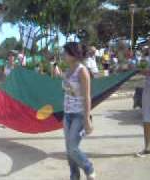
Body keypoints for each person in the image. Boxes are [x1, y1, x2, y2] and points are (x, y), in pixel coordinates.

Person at [62, 42, 96, 180]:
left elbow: (86, 96)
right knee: (69, 149)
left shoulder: (82, 70)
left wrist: (87, 118)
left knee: (72, 147)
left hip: (79, 115)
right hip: (67, 114)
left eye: (65, 52)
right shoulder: (68, 70)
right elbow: (68, 91)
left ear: (73, 54)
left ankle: (88, 167)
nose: (63, 55)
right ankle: (74, 176)